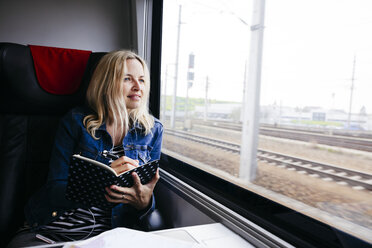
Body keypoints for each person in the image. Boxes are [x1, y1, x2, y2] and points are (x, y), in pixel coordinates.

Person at [7, 50, 163, 247]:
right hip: (54, 230)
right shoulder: (75, 122)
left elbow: (146, 197)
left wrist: (145, 203)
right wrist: (101, 180)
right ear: (106, 83)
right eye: (127, 79)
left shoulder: (152, 130)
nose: (138, 86)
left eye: (142, 80)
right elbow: (55, 189)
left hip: (110, 236)